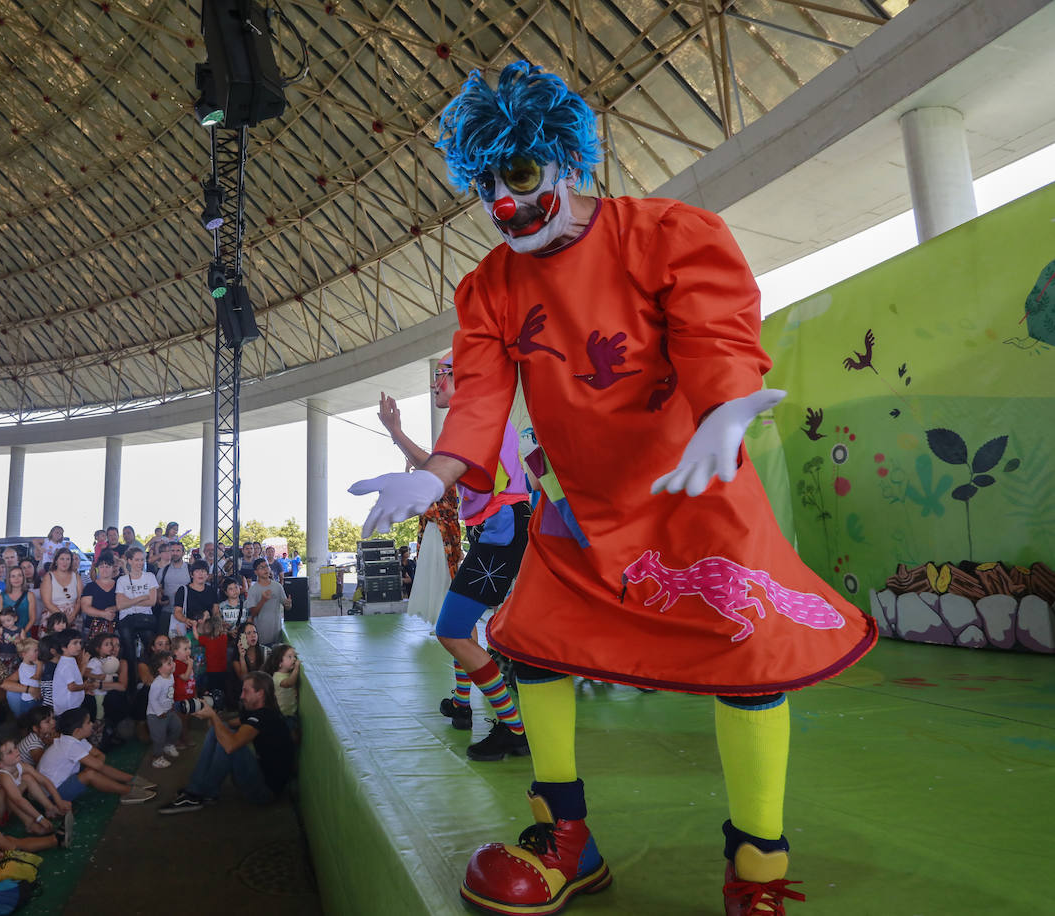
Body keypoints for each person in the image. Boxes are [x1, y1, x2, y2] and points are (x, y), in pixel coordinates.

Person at [349, 62, 878, 915]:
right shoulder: (489, 285)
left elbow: (715, 334)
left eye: (518, 175)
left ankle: (760, 876)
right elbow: (481, 394)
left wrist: (724, 414)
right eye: (485, 185)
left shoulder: (668, 233)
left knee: (747, 660)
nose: (503, 204)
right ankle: (567, 838)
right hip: (580, 507)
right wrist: (436, 471)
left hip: (699, 491)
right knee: (533, 643)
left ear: (565, 160)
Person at [375, 351, 532, 762]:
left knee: (451, 629)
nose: (434, 384)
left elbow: (434, 471)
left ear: (462, 378)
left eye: (441, 376)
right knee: (458, 625)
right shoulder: (474, 417)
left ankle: (514, 728)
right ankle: (467, 705)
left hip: (499, 530)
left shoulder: (478, 416)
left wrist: (396, 433)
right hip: (495, 530)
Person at [157, 671, 294, 814]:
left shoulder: (265, 716)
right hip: (260, 775)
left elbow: (230, 745)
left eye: (246, 691)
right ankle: (204, 791)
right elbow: (222, 726)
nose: (241, 696)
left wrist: (213, 716)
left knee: (230, 742)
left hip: (265, 792)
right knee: (221, 731)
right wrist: (211, 709)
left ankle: (196, 793)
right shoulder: (259, 712)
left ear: (260, 693)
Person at [37, 708, 152, 804]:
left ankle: (130, 779)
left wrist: (95, 765)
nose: (92, 724)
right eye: (88, 723)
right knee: (90, 774)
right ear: (77, 731)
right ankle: (128, 792)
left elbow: (99, 755)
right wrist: (95, 766)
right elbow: (98, 763)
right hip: (52, 797)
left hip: (58, 786)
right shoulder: (70, 745)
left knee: (94, 768)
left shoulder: (74, 739)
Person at [245, 559, 291, 648]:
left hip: (276, 634)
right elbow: (253, 614)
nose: (266, 569)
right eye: (261, 567)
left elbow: (287, 607)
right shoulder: (253, 589)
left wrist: (288, 604)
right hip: (261, 636)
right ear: (256, 572)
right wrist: (263, 600)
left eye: (267, 566)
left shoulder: (278, 586)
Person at [39, 549, 80, 629]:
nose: (65, 562)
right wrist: (63, 618)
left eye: (68, 559)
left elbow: (79, 600)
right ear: (56, 561)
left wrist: (73, 615)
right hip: (54, 618)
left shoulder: (76, 576)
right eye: (62, 559)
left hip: (72, 618)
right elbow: (47, 602)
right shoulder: (49, 577)